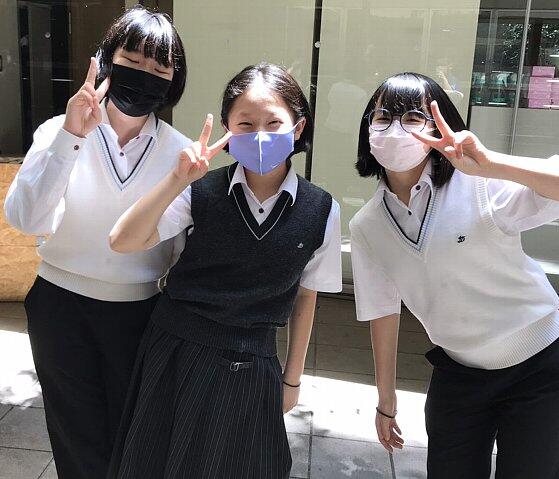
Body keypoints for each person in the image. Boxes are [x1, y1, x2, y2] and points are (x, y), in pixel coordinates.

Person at [349, 72, 559, 478]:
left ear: (440, 127)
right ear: (367, 130)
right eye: (383, 117)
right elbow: (382, 311)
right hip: (459, 373)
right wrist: (386, 401)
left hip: (541, 366)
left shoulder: (480, 185)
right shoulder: (367, 225)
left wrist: (493, 164)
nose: (396, 129)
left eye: (413, 117)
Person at [107, 62, 342, 479]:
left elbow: (307, 296)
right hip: (177, 350)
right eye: (245, 124)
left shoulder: (321, 209)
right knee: (158, 464)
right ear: (228, 131)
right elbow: (122, 240)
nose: (260, 134)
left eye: (274, 122)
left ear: (298, 128)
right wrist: (177, 179)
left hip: (255, 359)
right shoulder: (200, 191)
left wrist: (292, 379)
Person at [3, 6, 189, 478]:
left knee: (136, 435)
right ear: (107, 61)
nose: (144, 76)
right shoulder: (57, 130)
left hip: (140, 312)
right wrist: (71, 137)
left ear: (174, 80)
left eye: (159, 69)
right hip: (60, 307)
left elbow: (179, 251)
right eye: (133, 61)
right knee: (75, 434)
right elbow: (26, 219)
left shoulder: (181, 153)